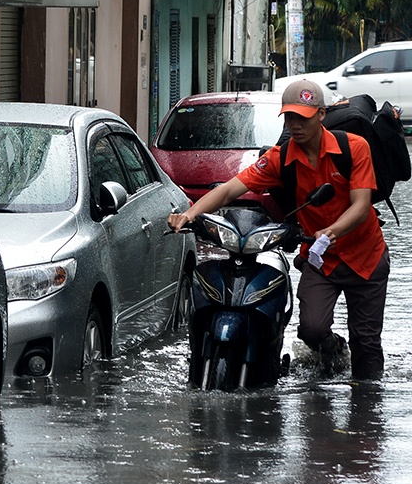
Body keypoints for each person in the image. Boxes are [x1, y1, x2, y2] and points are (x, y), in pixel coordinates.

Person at [166, 78, 390, 380]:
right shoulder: (280, 158)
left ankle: (366, 414)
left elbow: (361, 206)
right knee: (311, 329)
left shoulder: (354, 147)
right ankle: (334, 349)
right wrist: (189, 214)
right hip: (320, 260)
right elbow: (231, 189)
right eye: (290, 117)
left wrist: (331, 232)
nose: (296, 125)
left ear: (321, 115)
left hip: (366, 258)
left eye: (303, 117)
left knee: (367, 343)